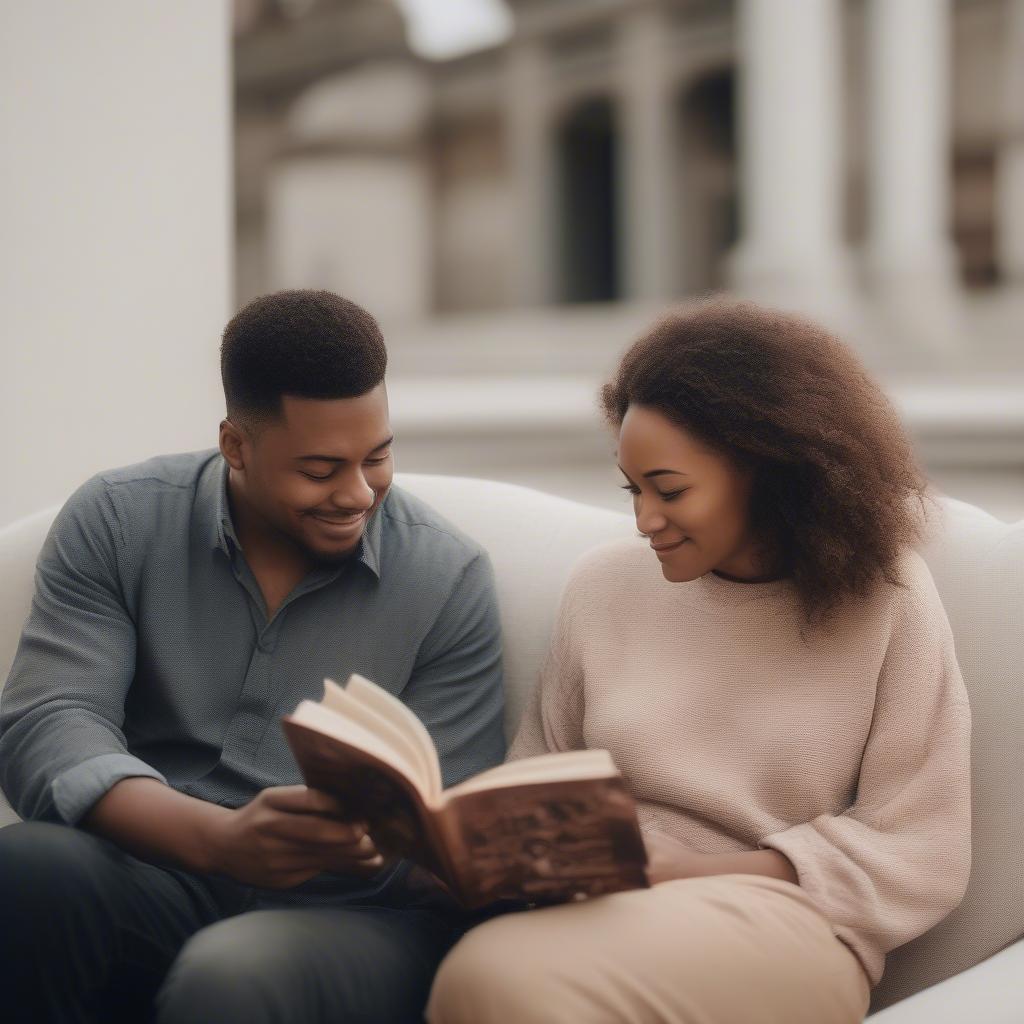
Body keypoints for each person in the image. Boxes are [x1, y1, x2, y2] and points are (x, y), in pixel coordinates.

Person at [427, 298, 971, 1024]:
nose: (645, 519)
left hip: (789, 927)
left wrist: (695, 870)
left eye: (671, 490)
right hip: (599, 913)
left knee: (494, 978)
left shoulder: (886, 602)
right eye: (633, 489)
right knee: (490, 968)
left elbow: (924, 846)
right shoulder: (602, 586)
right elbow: (538, 776)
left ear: (768, 470)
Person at [0, 289, 506, 1023]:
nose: (358, 493)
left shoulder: (447, 575)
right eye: (320, 468)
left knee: (233, 976)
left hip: (352, 919)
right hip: (159, 869)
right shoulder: (119, 517)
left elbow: (450, 815)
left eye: (379, 456)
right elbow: (50, 722)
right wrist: (217, 840)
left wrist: (392, 843)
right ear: (236, 444)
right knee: (24, 871)